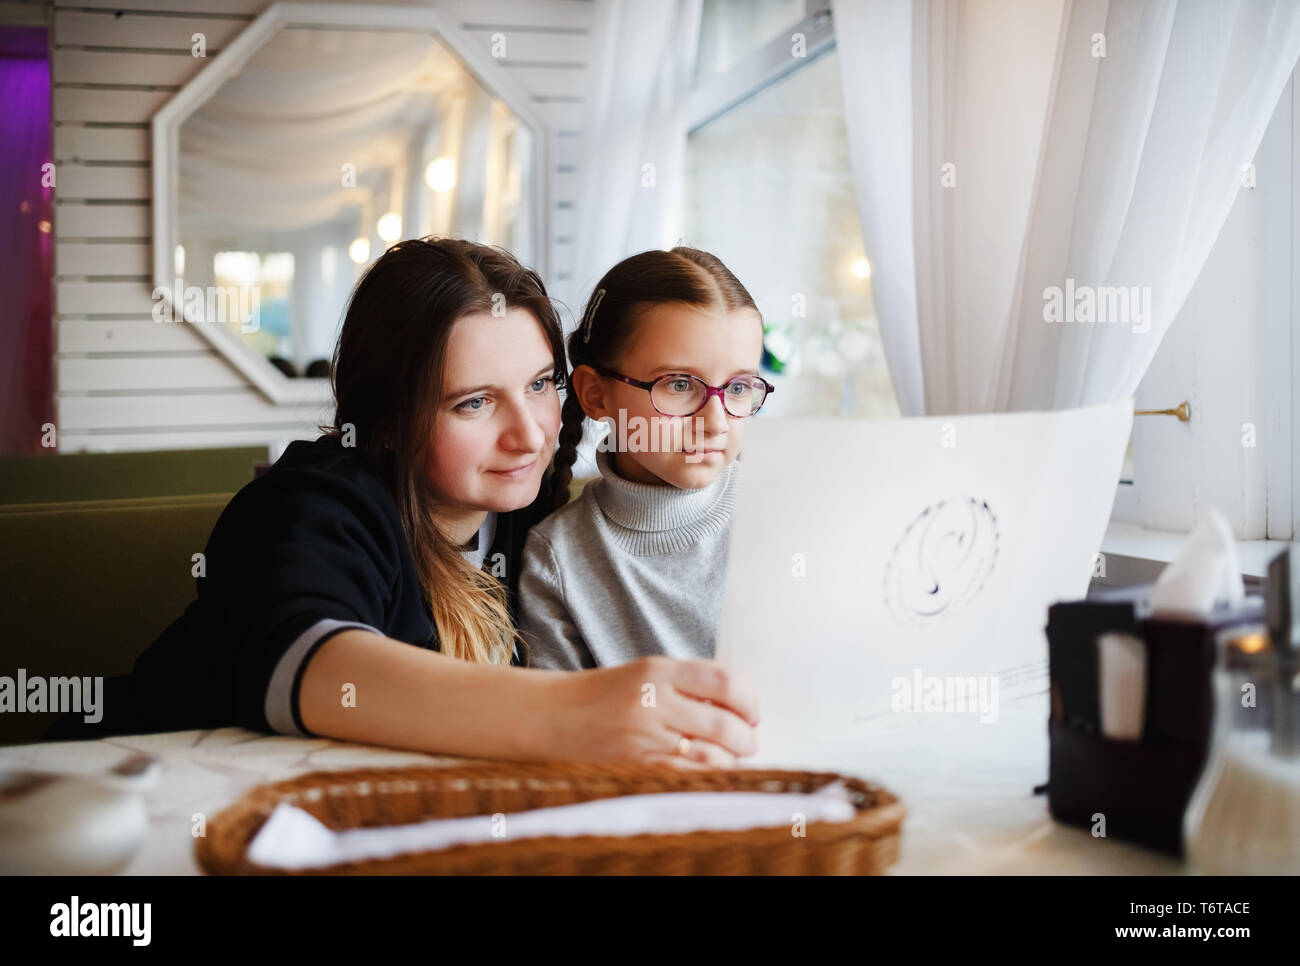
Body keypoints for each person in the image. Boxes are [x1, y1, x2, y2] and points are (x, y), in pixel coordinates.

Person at [50, 239, 757, 770]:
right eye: (474, 402)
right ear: (389, 418)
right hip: (123, 792)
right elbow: (313, 666)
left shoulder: (523, 517)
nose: (528, 433)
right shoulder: (314, 502)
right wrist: (580, 714)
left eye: (541, 386)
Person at [517, 248, 770, 670]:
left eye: (739, 388)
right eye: (679, 384)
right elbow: (559, 720)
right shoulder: (557, 558)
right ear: (596, 395)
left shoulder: (782, 514)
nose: (714, 422)